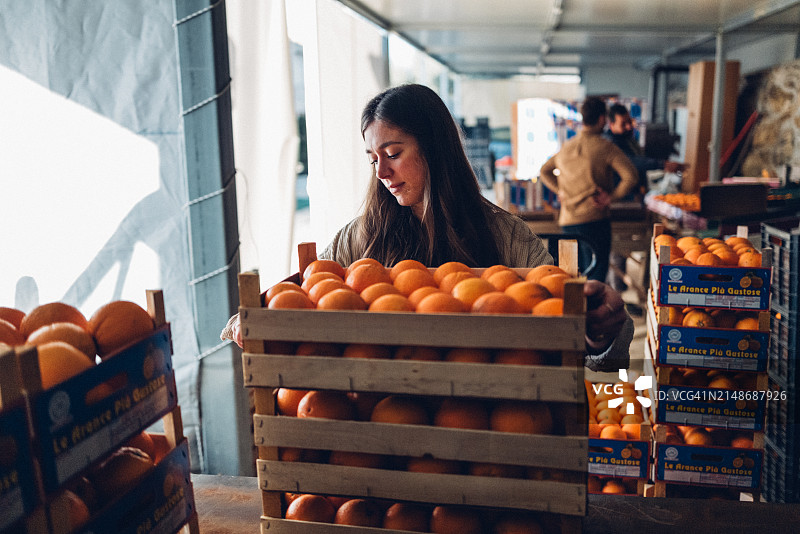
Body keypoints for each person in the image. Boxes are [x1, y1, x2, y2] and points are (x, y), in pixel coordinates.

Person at [223, 84, 633, 371]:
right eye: (373, 159)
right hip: (380, 435)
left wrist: (602, 325)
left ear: (434, 149)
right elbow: (308, 293)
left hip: (488, 434)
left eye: (393, 153)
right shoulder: (360, 238)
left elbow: (580, 340)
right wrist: (253, 319)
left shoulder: (505, 236)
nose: (381, 171)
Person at [539, 97, 638, 285]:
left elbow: (544, 171)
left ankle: (573, 314)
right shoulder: (605, 147)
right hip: (595, 221)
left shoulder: (567, 147)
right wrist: (612, 197)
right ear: (602, 119)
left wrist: (560, 190)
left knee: (570, 278)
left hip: (567, 222)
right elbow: (631, 176)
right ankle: (591, 314)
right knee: (594, 281)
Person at [605, 103, 686, 191]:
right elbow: (630, 161)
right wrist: (662, 164)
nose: (628, 126)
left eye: (629, 121)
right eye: (623, 124)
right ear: (611, 125)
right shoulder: (610, 143)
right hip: (623, 195)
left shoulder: (626, 138)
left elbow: (640, 157)